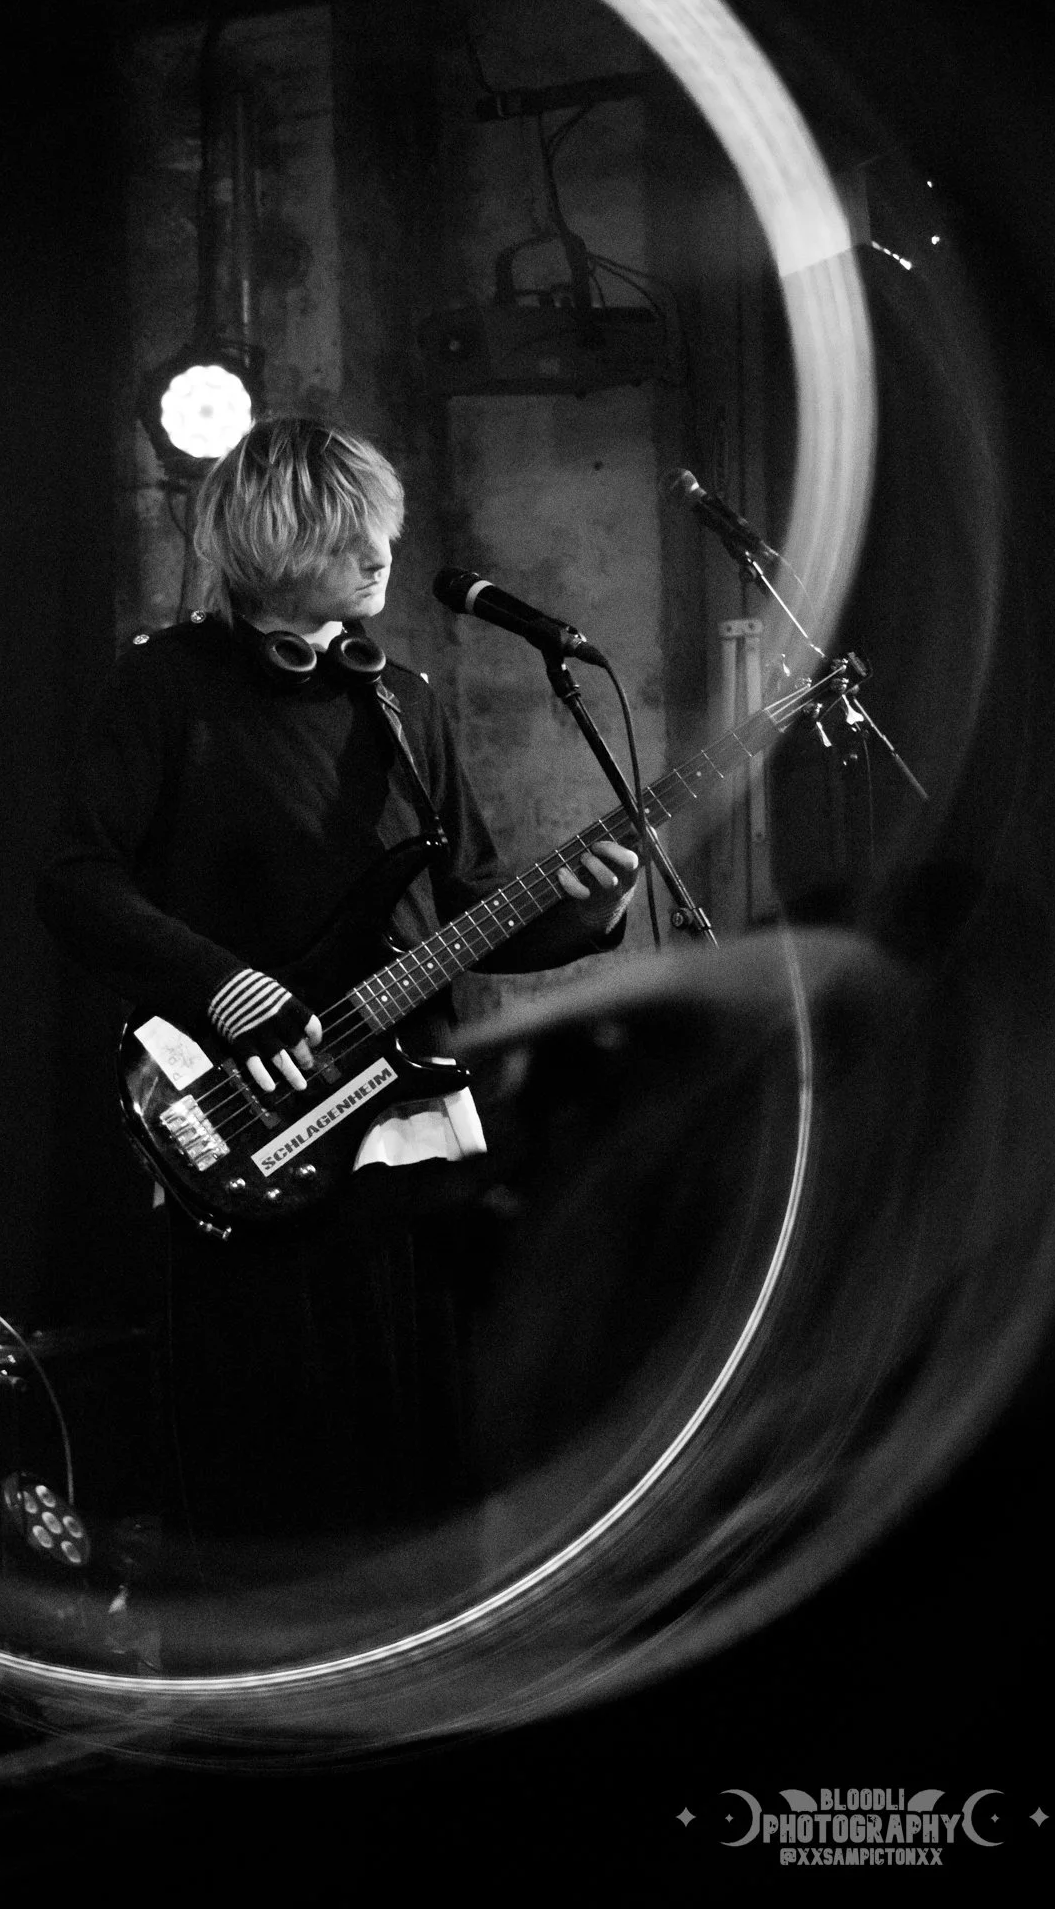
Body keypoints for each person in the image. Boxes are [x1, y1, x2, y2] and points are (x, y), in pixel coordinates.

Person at [37, 416, 638, 1555]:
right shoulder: (164, 687)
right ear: (272, 541)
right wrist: (222, 985)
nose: (381, 558)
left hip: (409, 1129)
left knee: (426, 1455)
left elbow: (457, 909)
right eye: (351, 536)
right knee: (273, 1461)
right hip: (250, 1121)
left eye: (386, 535)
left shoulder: (403, 700)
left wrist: (586, 912)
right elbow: (75, 880)